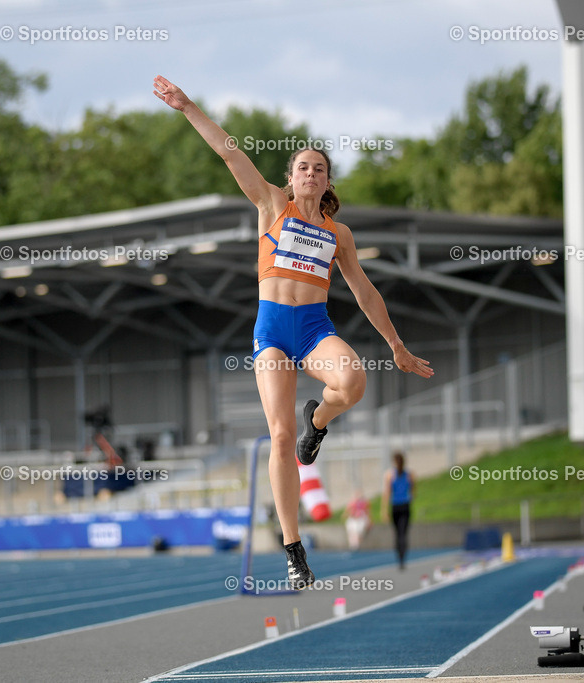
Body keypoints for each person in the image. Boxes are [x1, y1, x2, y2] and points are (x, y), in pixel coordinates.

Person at [153, 77, 434, 589]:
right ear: (291, 177)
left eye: (318, 168)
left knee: (353, 384)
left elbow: (367, 294)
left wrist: (396, 346)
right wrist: (187, 106)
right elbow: (229, 151)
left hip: (312, 328)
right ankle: (293, 546)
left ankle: (319, 420)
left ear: (327, 182)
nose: (310, 173)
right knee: (279, 437)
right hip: (272, 331)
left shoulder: (339, 235)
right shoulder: (269, 206)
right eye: (302, 167)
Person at [382, 452, 415, 570]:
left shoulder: (390, 475)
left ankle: (400, 557)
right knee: (403, 533)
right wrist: (409, 497)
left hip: (395, 506)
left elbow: (387, 493)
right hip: (404, 506)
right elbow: (413, 491)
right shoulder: (409, 474)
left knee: (398, 533)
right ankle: (402, 557)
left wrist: (384, 510)